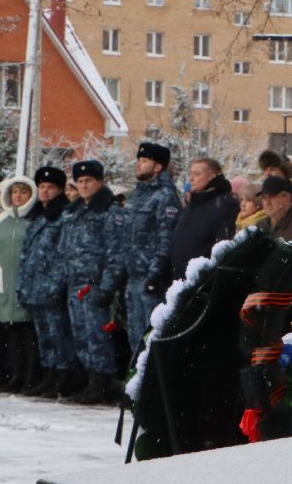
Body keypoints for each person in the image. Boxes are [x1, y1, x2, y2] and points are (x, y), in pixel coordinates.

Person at [103, 141, 181, 355]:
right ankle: (136, 385)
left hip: (151, 281)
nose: (138, 164)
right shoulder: (138, 195)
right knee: (135, 340)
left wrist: (154, 275)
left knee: (151, 339)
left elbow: (166, 239)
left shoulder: (165, 196)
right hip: (133, 278)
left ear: (158, 167)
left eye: (145, 161)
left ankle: (150, 387)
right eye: (138, 160)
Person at [58, 159, 125, 406]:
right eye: (80, 182)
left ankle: (103, 384)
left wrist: (107, 286)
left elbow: (116, 252)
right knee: (81, 335)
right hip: (75, 284)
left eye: (89, 181)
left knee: (98, 337)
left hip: (96, 284)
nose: (84, 186)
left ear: (100, 182)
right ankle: (91, 382)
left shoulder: (110, 210)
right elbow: (65, 248)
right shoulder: (75, 210)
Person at [16, 166, 77, 398]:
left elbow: (63, 255)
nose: (45, 191)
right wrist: (22, 285)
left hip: (52, 286)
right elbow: (26, 254)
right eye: (41, 186)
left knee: (59, 335)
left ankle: (63, 378)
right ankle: (49, 375)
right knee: (44, 337)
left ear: (60, 190)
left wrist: (57, 286)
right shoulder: (36, 214)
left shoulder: (63, 214)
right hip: (35, 286)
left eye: (50, 187)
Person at [0, 175, 38, 391]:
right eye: (14, 192)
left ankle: (30, 376)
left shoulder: (33, 219)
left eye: (23, 192)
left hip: (27, 282)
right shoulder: (2, 219)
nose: (17, 196)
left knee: (28, 332)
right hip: (5, 283)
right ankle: (16, 374)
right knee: (12, 332)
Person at [169, 157, 238, 278]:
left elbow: (223, 247)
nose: (191, 178)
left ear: (212, 176)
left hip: (203, 281)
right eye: (191, 173)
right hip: (181, 280)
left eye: (196, 174)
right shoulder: (195, 202)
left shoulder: (224, 204)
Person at [258, 175, 292, 243]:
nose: (267, 202)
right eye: (264, 197)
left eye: (271, 197)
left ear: (286, 198)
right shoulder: (261, 224)